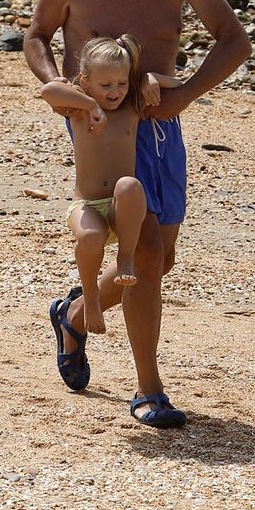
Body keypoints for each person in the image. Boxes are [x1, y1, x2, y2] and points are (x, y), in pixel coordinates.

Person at [25, 0, 251, 429]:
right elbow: (36, 37)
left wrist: (185, 94)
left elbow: (233, 41)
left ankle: (75, 314)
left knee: (160, 259)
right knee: (145, 249)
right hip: (104, 129)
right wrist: (69, 96)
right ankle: (149, 391)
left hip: (161, 128)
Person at [39, 35, 179, 341]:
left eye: (121, 84)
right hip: (88, 206)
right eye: (105, 86)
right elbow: (48, 90)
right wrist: (90, 105)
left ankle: (125, 257)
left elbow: (177, 83)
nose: (115, 92)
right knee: (90, 237)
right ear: (86, 81)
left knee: (129, 185)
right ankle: (90, 300)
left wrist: (151, 78)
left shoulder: (133, 108)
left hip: (121, 212)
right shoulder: (77, 109)